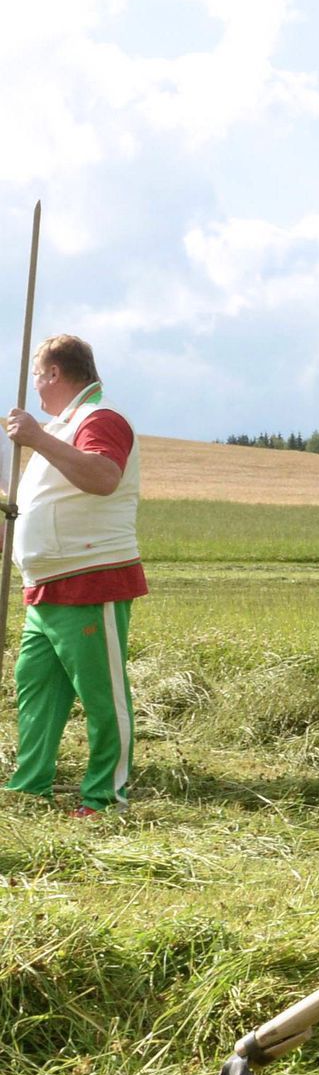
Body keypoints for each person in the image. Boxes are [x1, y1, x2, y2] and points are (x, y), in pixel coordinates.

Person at [4, 335, 147, 816]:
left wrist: (36, 438)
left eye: (37, 377)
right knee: (35, 687)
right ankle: (30, 786)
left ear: (55, 374)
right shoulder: (63, 428)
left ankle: (107, 797)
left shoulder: (100, 419)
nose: (35, 390)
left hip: (90, 577)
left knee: (102, 694)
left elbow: (103, 478)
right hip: (45, 585)